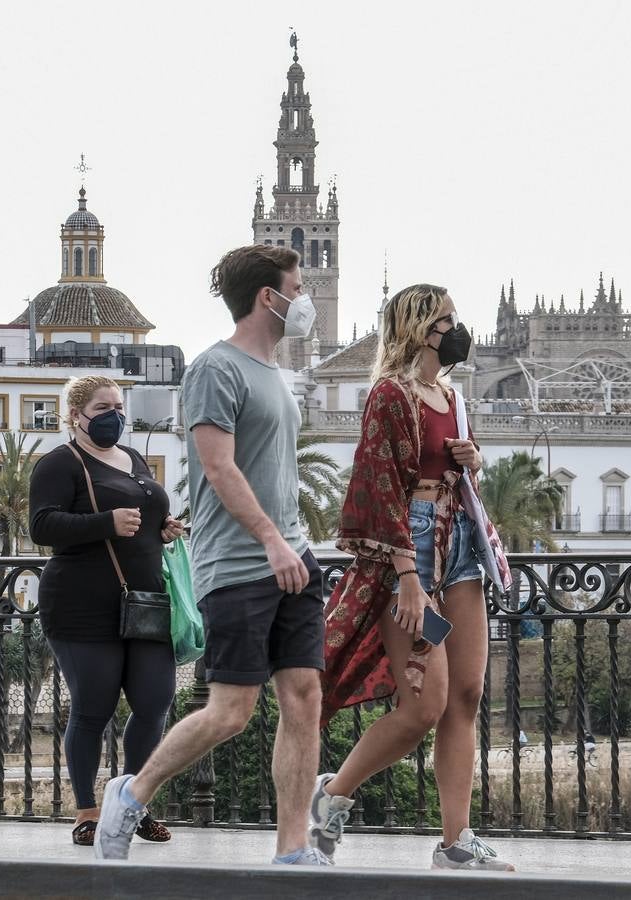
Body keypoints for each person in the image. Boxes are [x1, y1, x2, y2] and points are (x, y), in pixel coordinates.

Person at [94, 244, 328, 865]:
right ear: (266, 298)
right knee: (231, 712)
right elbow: (218, 469)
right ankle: (133, 790)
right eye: (297, 287)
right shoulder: (213, 370)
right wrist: (272, 541)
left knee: (304, 698)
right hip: (239, 565)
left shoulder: (277, 376)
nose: (305, 298)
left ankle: (294, 847)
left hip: (294, 560)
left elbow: (272, 471)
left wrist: (295, 543)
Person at [316, 284, 515, 871]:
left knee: (466, 698)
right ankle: (331, 799)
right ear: (420, 328)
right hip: (413, 546)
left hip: (459, 545)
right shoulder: (389, 395)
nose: (458, 328)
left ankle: (455, 842)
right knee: (421, 707)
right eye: (448, 319)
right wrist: (407, 573)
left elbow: (452, 464)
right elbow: (379, 484)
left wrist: (472, 458)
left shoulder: (450, 395)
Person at [29, 375, 184, 847]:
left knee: (155, 703)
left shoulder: (133, 459)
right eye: (102, 407)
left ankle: (132, 804)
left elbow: (143, 516)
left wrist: (164, 527)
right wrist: (106, 523)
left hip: (145, 603)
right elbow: (42, 525)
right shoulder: (59, 463)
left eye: (119, 405)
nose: (114, 415)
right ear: (76, 414)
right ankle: (88, 812)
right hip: (82, 606)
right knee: (93, 709)